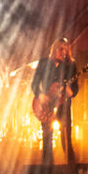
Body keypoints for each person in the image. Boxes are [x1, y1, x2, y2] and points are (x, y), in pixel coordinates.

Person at [31, 37, 78, 166]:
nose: (63, 52)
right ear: (54, 49)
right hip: (46, 105)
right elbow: (34, 83)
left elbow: (75, 89)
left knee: (66, 139)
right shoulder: (43, 63)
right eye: (60, 49)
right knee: (47, 139)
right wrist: (40, 95)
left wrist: (70, 91)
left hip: (63, 106)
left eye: (65, 49)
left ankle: (72, 170)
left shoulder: (71, 65)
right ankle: (47, 169)